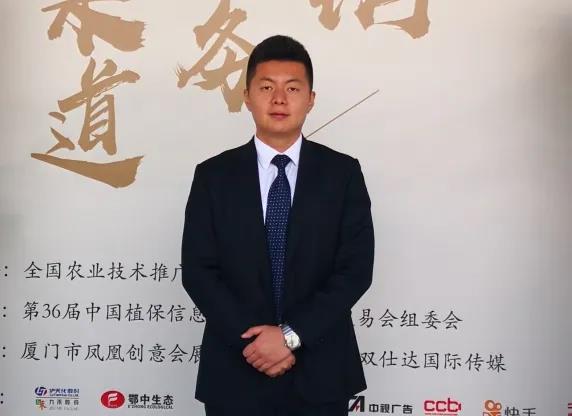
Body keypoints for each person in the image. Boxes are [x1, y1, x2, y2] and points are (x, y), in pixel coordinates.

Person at [181, 34, 375, 416]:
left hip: (321, 373)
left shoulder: (342, 174)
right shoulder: (213, 176)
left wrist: (289, 336)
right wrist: (255, 344)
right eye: (267, 87)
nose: (279, 99)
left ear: (311, 99)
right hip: (236, 372)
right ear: (247, 96)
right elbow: (199, 273)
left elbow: (354, 271)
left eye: (293, 88)